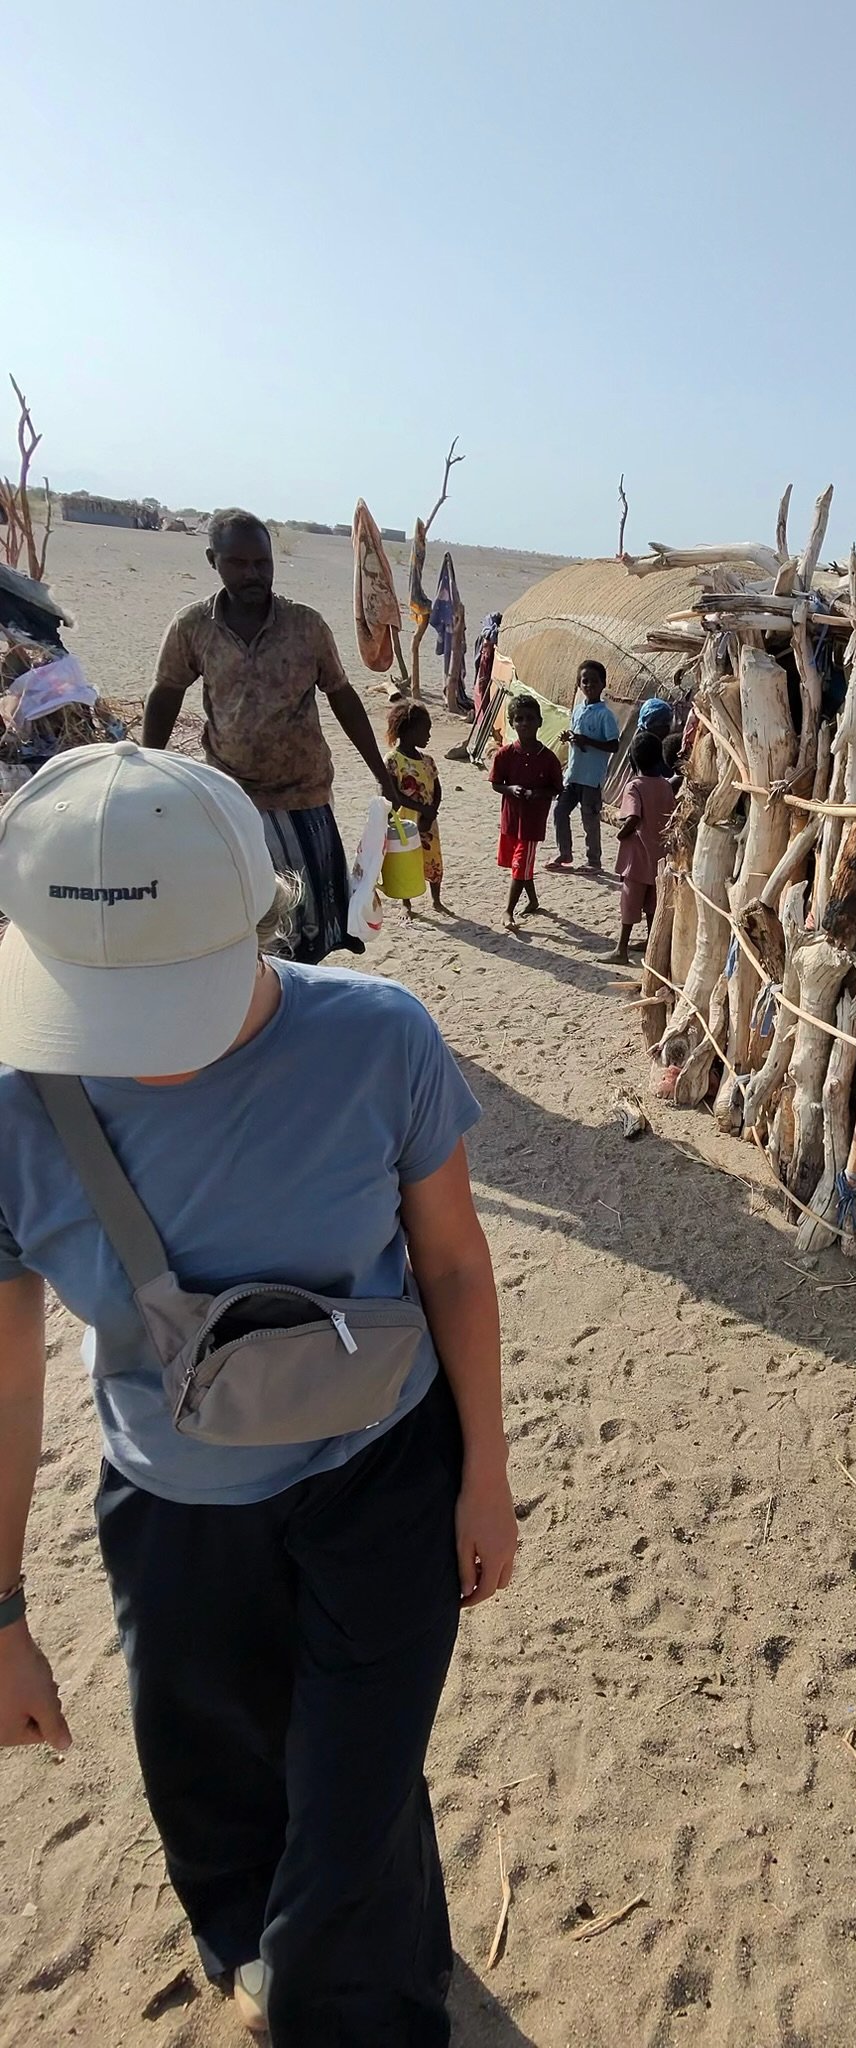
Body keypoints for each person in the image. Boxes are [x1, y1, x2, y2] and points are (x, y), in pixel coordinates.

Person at [0, 742, 518, 2046]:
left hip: (384, 1478)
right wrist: (0, 1608)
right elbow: (4, 1361)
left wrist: (487, 1477)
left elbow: (454, 1263)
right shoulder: (12, 1104)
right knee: (219, 1788)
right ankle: (282, 1949)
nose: (152, 1053)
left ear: (267, 911)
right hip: (174, 1513)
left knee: (348, 1812)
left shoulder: (380, 1036)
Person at [142, 508, 402, 966]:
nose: (253, 574)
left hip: (305, 795)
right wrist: (143, 769)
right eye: (238, 563)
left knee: (313, 920)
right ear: (213, 560)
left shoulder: (306, 626)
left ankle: (298, 999)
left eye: (262, 563)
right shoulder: (192, 627)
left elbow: (342, 697)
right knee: (251, 915)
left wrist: (381, 773)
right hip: (233, 795)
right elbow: (166, 694)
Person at [604, 732, 677, 966]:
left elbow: (633, 817)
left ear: (633, 762)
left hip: (636, 859)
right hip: (660, 857)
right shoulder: (666, 786)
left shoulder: (634, 786)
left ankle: (621, 949)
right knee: (653, 906)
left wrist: (621, 832)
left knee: (630, 903)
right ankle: (651, 944)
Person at [490, 695, 563, 928]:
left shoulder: (548, 759)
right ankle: (532, 901)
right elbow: (496, 783)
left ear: (540, 722)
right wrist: (510, 789)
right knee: (519, 864)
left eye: (530, 718)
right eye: (519, 719)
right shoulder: (504, 755)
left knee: (520, 865)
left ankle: (507, 911)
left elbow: (556, 788)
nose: (524, 723)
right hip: (511, 820)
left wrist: (537, 793)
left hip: (532, 823)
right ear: (511, 723)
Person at [547, 660, 620, 872]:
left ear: (603, 684)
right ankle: (565, 853)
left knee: (590, 820)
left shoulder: (605, 715)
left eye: (594, 681)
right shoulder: (578, 710)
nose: (589, 685)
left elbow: (614, 744)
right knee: (560, 811)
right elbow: (576, 736)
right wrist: (569, 738)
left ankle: (594, 861)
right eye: (584, 681)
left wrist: (587, 741)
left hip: (591, 778)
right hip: (573, 775)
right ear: (579, 684)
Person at [386, 701, 447, 917]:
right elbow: (392, 793)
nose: (429, 735)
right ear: (410, 731)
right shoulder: (393, 760)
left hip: (429, 820)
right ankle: (406, 903)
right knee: (406, 858)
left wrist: (431, 812)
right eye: (426, 731)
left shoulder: (427, 761)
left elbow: (437, 788)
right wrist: (422, 809)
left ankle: (436, 900)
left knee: (433, 857)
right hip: (406, 820)